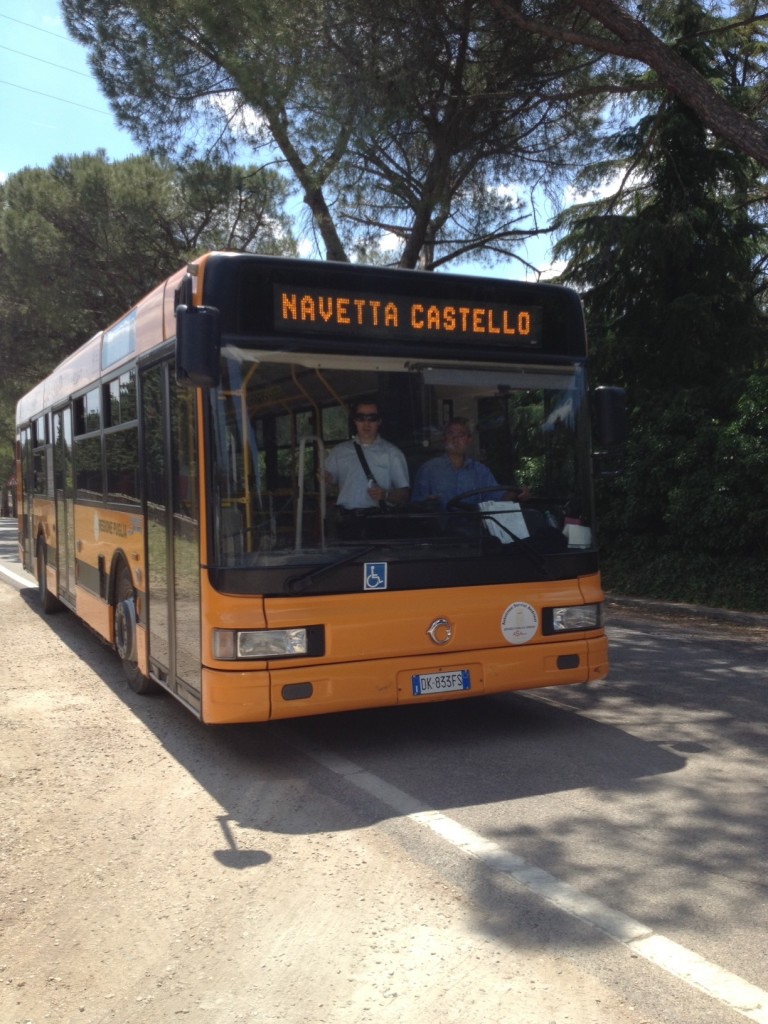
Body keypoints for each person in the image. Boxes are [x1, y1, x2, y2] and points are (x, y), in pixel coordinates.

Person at [324, 400, 409, 536]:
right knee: (346, 557)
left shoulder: (393, 453)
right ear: (354, 421)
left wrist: (385, 494)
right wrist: (325, 481)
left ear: (379, 421)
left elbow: (404, 494)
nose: (366, 423)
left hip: (378, 524)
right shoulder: (339, 452)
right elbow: (327, 490)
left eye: (372, 418)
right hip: (346, 523)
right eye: (361, 418)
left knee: (375, 558)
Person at [411, 417, 528, 510]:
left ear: (469, 440)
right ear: (444, 438)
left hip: (475, 534)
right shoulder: (428, 469)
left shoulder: (481, 471)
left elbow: (497, 499)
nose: (455, 439)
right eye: (451, 433)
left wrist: (517, 492)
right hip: (440, 536)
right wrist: (428, 503)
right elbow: (416, 506)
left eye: (461, 435)